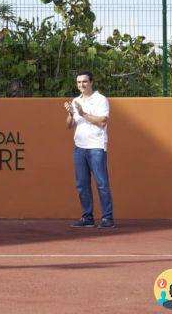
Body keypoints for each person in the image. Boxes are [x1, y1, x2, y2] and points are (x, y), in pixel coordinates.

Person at [64, 71, 114, 229]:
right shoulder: (76, 101)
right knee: (81, 185)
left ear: (91, 82)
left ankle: (107, 218)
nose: (81, 85)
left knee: (102, 183)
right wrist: (71, 114)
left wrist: (82, 113)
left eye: (84, 82)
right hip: (80, 148)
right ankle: (87, 217)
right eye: (79, 82)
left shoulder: (101, 100)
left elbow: (102, 121)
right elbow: (69, 125)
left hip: (96, 148)